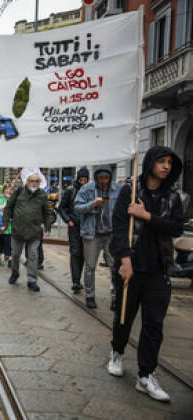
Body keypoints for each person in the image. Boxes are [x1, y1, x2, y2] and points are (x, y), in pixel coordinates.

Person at [107, 146, 184, 403]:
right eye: (161, 161)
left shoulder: (173, 197)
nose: (166, 166)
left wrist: (147, 215)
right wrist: (124, 259)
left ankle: (145, 374)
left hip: (159, 269)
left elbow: (175, 228)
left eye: (170, 163)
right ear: (150, 162)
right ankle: (117, 352)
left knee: (154, 324)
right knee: (124, 315)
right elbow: (119, 226)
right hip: (132, 266)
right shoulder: (129, 192)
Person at [74, 165, 121, 309]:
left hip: (111, 234)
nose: (103, 181)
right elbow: (77, 208)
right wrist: (93, 204)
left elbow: (124, 208)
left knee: (115, 267)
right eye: (100, 178)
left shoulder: (117, 189)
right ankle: (90, 295)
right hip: (92, 234)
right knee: (90, 266)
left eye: (106, 178)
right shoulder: (87, 189)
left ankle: (115, 297)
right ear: (96, 177)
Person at [3, 170, 51, 292]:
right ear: (27, 181)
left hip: (34, 232)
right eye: (31, 181)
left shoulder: (42, 195)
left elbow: (47, 212)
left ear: (39, 183)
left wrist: (47, 227)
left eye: (36, 181)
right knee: (15, 255)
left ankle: (32, 280)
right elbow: (8, 207)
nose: (34, 183)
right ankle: (15, 273)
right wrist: (5, 223)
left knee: (33, 256)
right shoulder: (19, 192)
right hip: (18, 231)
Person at [57, 167, 90, 293]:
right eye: (81, 179)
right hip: (74, 227)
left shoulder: (91, 191)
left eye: (85, 180)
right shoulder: (71, 191)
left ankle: (79, 279)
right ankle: (75, 281)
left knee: (83, 254)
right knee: (75, 252)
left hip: (87, 227)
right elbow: (61, 208)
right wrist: (68, 221)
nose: (83, 182)